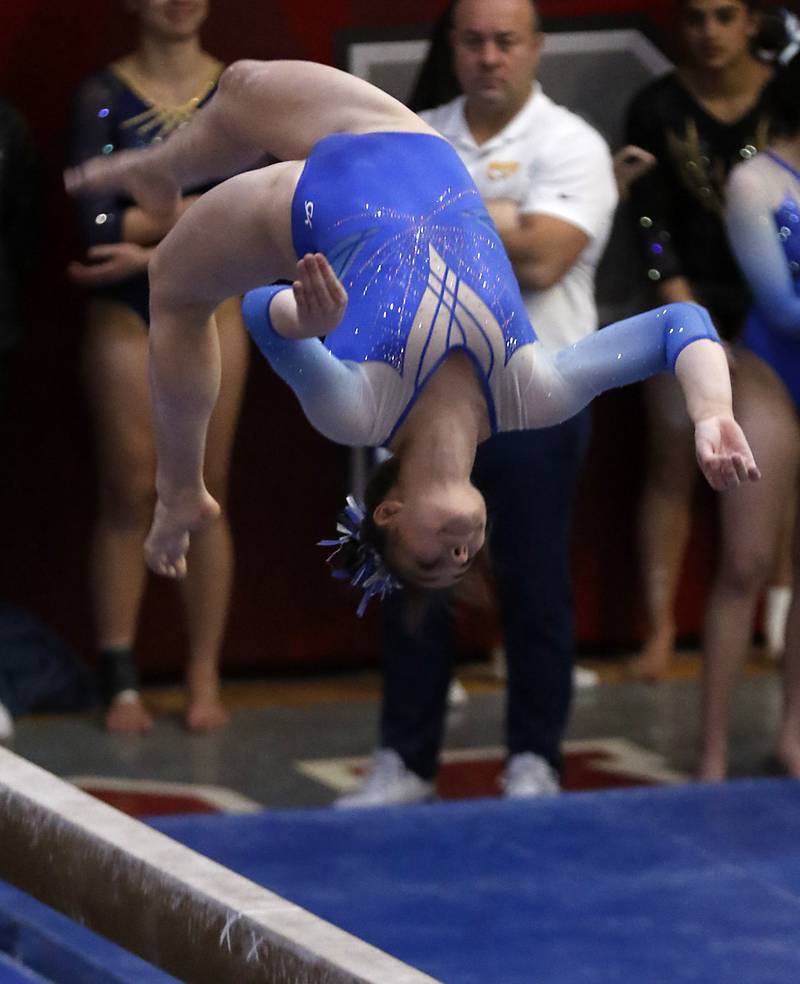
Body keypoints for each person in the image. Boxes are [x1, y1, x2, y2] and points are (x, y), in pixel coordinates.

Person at [65, 60, 758, 632]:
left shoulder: (360, 413)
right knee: (242, 84)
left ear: (388, 513)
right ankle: (163, 170)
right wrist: (712, 412)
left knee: (172, 290)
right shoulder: (536, 392)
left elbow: (258, 313)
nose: (460, 551)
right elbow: (678, 329)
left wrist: (303, 319)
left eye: (433, 560)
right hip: (407, 144)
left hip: (298, 208)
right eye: (466, 557)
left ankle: (181, 489)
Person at [336, 0, 618, 807]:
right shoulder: (409, 131)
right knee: (412, 580)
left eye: (506, 41)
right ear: (452, 47)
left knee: (534, 577)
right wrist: (494, 219)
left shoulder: (573, 145)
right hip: (421, 401)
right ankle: (406, 757)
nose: (490, 57)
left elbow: (541, 260)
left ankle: (535, 756)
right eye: (473, 41)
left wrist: (433, 216)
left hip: (536, 397)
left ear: (536, 48)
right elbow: (366, 246)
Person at [67, 0, 249, 733]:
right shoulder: (101, 96)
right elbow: (95, 223)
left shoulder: (238, 90)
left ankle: (203, 671)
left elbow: (261, 201)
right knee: (130, 486)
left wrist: (148, 224)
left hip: (215, 303)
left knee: (206, 490)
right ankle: (120, 673)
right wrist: (205, 212)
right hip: (126, 311)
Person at [622, 0, 776, 681]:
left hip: (778, 309)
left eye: (724, 16)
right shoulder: (657, 106)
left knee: (779, 473)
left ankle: (776, 618)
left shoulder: (786, 96)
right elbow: (650, 224)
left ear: (751, 22)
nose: (709, 34)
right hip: (685, 309)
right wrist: (691, 323)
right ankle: (659, 628)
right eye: (694, 19)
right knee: (671, 463)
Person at [700, 45, 800, 779]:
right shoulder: (755, 180)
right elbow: (782, 309)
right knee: (745, 565)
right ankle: (710, 751)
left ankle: (794, 733)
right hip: (771, 379)